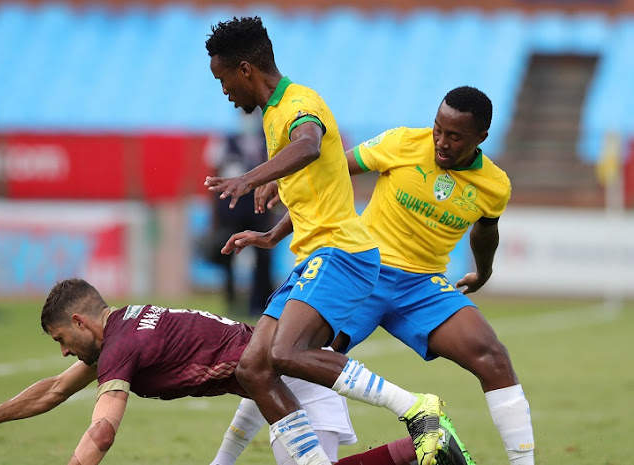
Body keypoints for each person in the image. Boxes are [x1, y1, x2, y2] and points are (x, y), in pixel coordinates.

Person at [242, 86, 535, 465]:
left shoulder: (495, 185)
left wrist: (483, 271)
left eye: (455, 136)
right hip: (363, 271)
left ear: (481, 138)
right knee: (285, 357)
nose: (441, 143)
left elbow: (485, 230)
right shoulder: (401, 143)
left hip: (423, 287)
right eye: (437, 130)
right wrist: (277, 214)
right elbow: (326, 177)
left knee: (493, 358)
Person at [205, 16, 443, 465]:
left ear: (245, 70)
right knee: (254, 367)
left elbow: (310, 145)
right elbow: (317, 189)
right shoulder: (274, 115)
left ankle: (416, 407)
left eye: (222, 79)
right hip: (314, 256)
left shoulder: (298, 103)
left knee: (285, 353)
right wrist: (271, 235)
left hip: (342, 254)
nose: (223, 91)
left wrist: (250, 177)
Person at [0, 278, 473, 465]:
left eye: (61, 341)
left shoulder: (118, 348)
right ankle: (418, 452)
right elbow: (51, 393)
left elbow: (103, 429)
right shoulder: (125, 330)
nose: (64, 354)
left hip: (290, 382)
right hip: (274, 383)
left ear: (78, 321)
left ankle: (421, 445)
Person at [203, 111, 275, 315]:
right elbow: (212, 177)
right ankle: (231, 301)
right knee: (228, 255)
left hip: (258, 205)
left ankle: (260, 302)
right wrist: (214, 213)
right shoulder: (225, 140)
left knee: (263, 255)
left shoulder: (267, 140)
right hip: (230, 209)